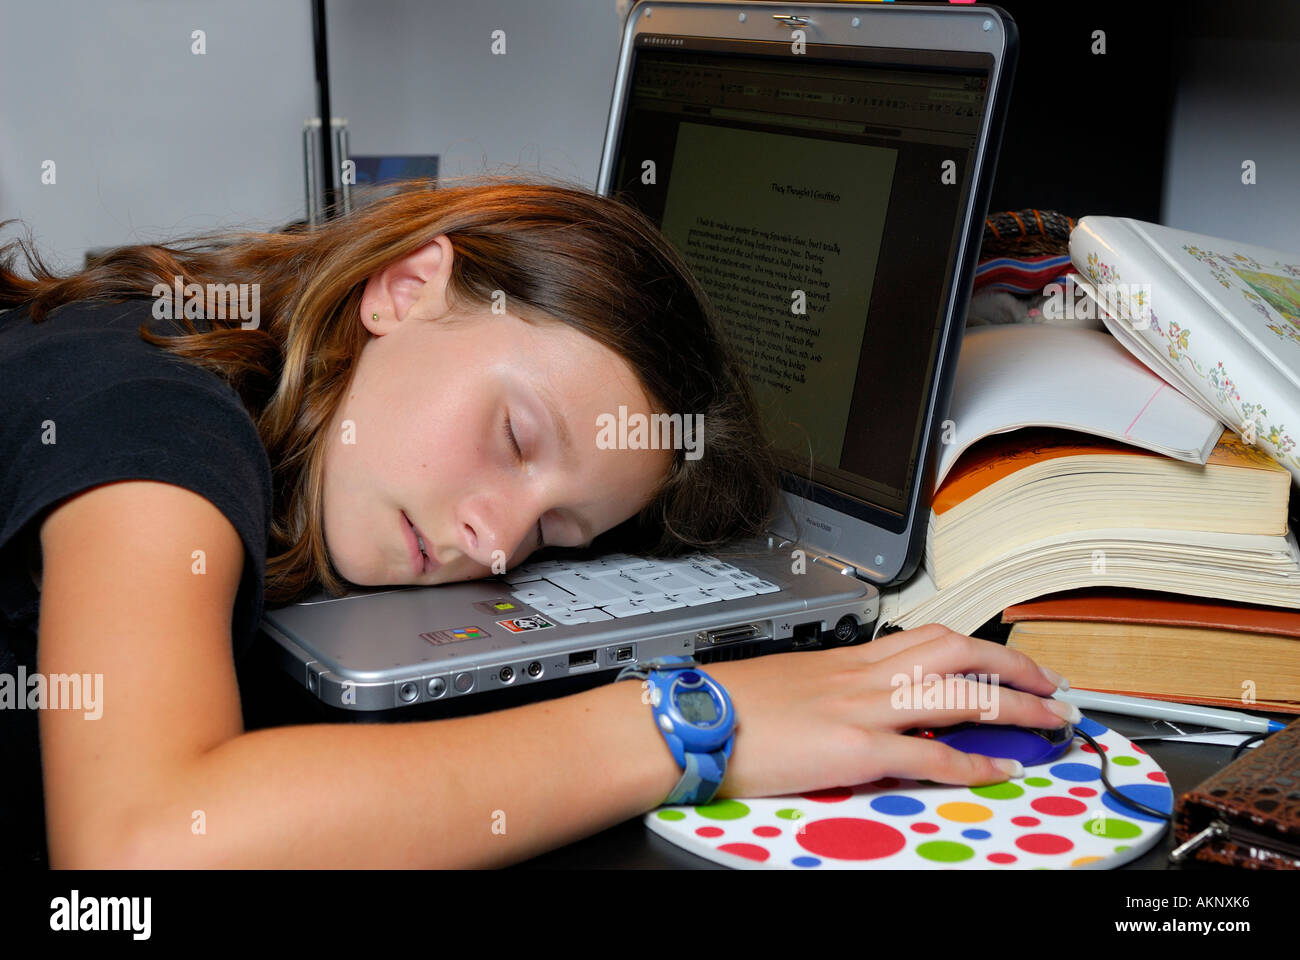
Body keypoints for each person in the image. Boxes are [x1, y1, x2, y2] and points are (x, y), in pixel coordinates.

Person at [0, 177, 1074, 869]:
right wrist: (695, 721)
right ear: (406, 287)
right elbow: (142, 845)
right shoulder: (149, 411)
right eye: (514, 436)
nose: (494, 541)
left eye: (559, 532)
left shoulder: (266, 392)